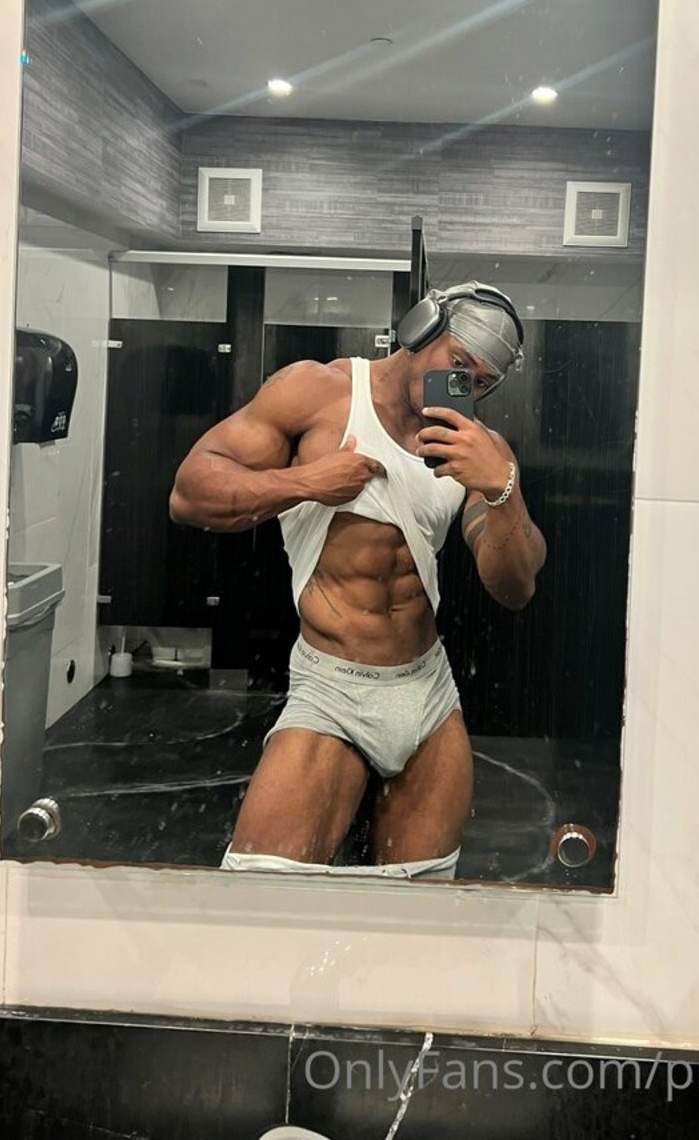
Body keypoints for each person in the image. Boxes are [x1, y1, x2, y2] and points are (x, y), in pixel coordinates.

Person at [169, 282, 546, 880]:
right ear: (422, 328)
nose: (462, 385)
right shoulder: (318, 393)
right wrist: (306, 482)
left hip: (428, 694)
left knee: (420, 908)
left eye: (480, 382)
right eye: (458, 363)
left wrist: (503, 488)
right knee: (263, 891)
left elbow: (515, 587)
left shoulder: (478, 450)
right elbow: (189, 494)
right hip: (331, 690)